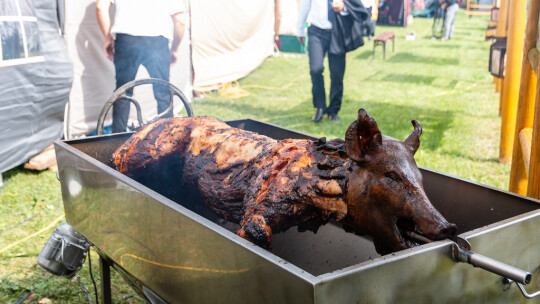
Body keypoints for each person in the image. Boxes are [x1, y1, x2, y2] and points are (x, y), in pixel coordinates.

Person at [96, 0, 185, 133]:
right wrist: (175, 49)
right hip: (157, 41)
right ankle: (167, 138)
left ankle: (116, 140)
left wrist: (108, 37)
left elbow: (100, 6)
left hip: (126, 40)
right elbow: (180, 21)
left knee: (123, 92)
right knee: (163, 93)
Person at [296, 0, 367, 123]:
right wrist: (299, 30)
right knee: (315, 69)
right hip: (316, 32)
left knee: (337, 74)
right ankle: (320, 107)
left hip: (337, 33)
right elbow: (305, 7)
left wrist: (344, 7)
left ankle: (333, 111)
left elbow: (357, 7)